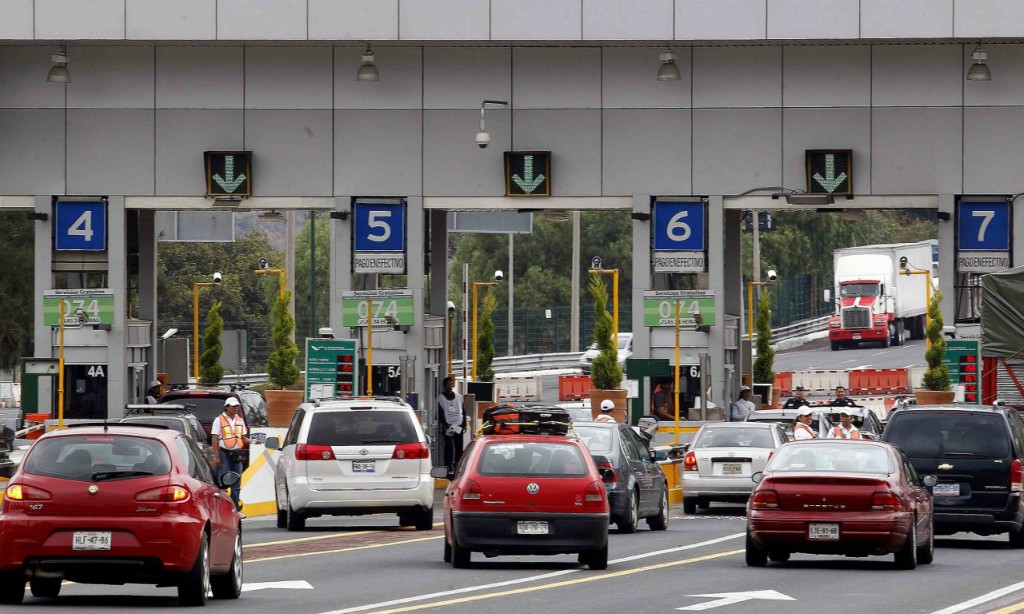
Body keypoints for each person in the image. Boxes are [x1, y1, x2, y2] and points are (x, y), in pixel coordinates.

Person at [212, 397, 250, 514]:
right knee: (222, 482)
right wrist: (216, 455)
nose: (235, 408)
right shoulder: (219, 420)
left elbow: (243, 438)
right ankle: (220, 509)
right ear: (227, 407)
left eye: (237, 406)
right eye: (233, 406)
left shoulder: (240, 420)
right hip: (224, 454)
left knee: (236, 483)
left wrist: (253, 441)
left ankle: (235, 510)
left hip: (237, 455)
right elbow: (214, 437)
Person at [437, 375, 466, 479]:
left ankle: (457, 465)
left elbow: (463, 410)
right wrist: (445, 425)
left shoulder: (459, 397)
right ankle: (448, 466)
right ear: (444, 385)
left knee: (459, 447)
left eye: (451, 384)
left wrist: (464, 424)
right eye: (448, 384)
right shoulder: (441, 398)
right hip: (448, 426)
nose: (450, 386)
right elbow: (440, 413)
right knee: (449, 447)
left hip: (458, 425)